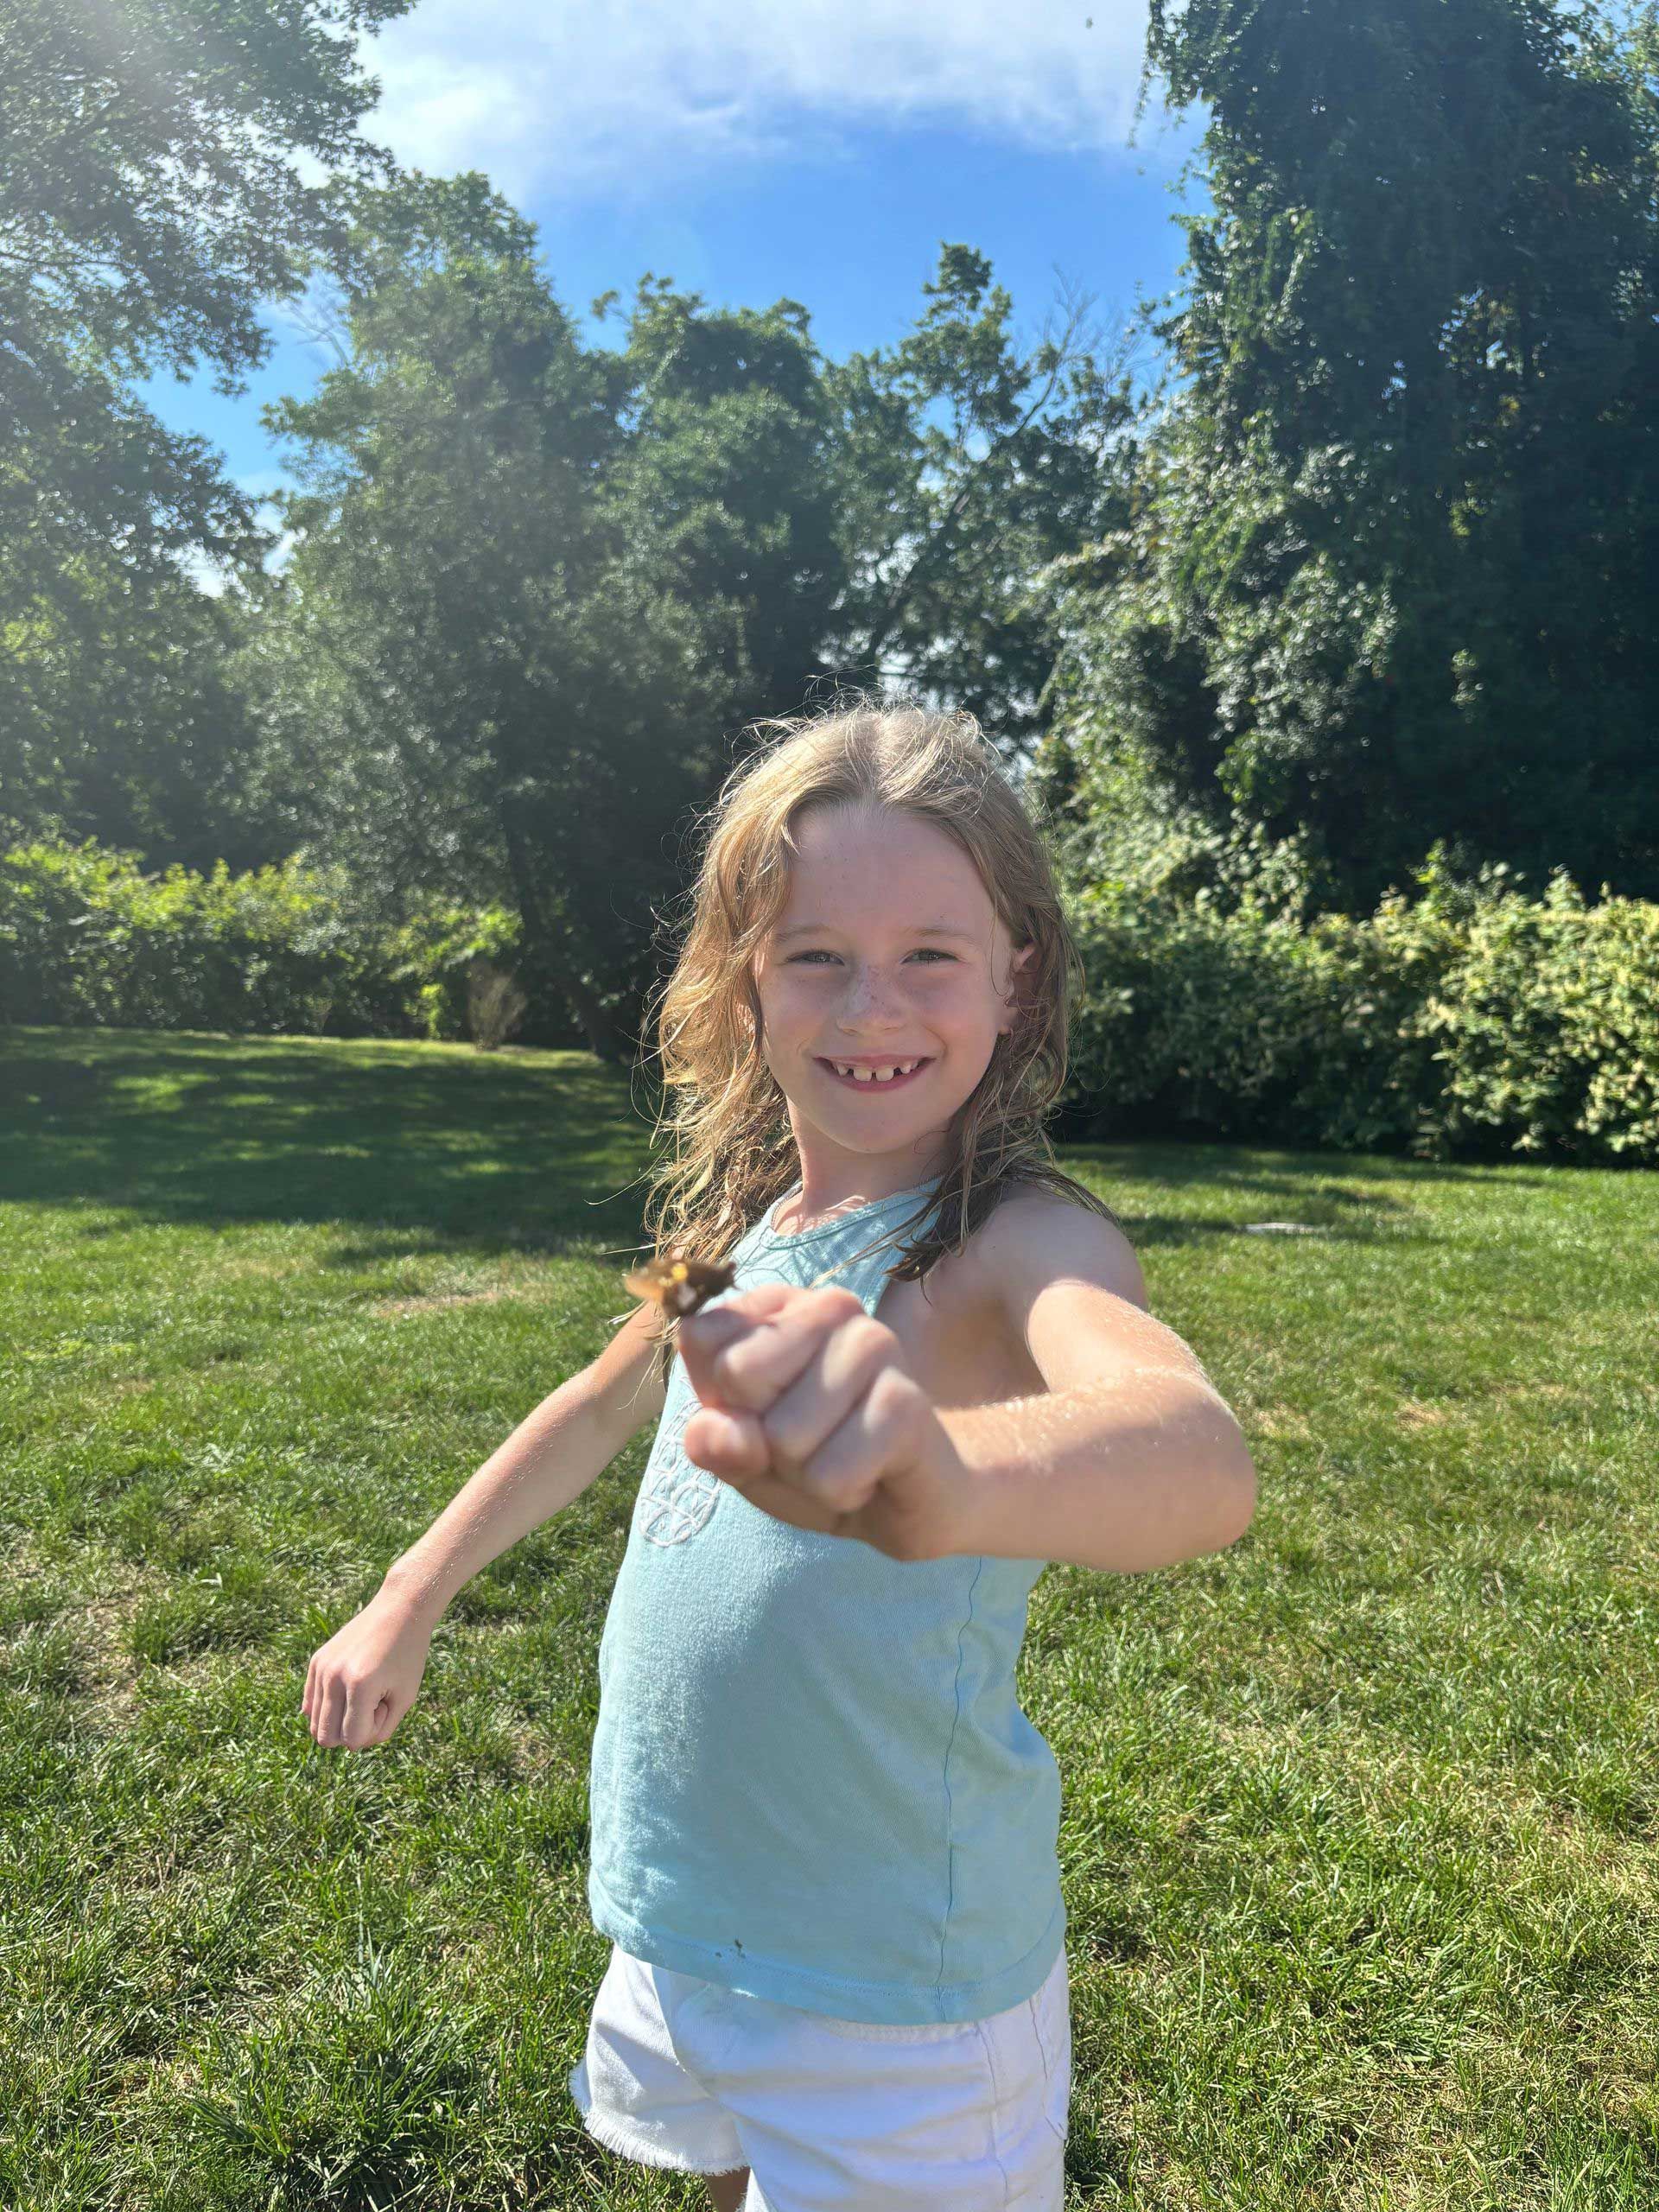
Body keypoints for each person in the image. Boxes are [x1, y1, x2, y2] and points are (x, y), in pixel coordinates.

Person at [301, 696, 1258, 2211]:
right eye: (818, 956)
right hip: (689, 1918)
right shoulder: (741, 1237)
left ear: (1018, 976)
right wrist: (409, 1593)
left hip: (903, 2000)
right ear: (745, 984)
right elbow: (599, 1402)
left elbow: (1196, 1456)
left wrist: (944, 1479)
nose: (872, 1005)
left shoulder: (1014, 1245)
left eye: (929, 955)